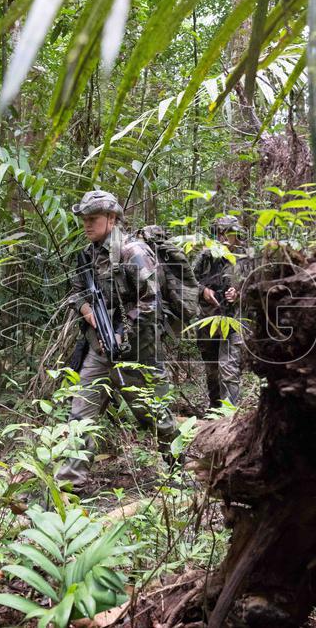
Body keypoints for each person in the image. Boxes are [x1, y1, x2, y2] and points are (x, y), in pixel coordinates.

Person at [57, 190, 178, 491]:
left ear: (112, 219)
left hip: (138, 351)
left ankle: (181, 468)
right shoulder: (87, 255)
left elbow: (151, 301)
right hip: (100, 347)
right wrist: (86, 311)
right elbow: (76, 292)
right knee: (81, 412)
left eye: (93, 219)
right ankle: (70, 485)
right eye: (83, 219)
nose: (86, 225)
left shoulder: (132, 251)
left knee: (154, 413)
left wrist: (124, 331)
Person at [192, 215, 250, 413]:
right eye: (219, 232)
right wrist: (203, 291)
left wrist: (239, 293)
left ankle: (227, 415)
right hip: (208, 319)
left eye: (228, 233)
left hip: (234, 320)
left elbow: (257, 287)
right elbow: (188, 281)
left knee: (229, 368)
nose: (223, 237)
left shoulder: (245, 258)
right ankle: (214, 410)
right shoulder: (205, 256)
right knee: (212, 368)